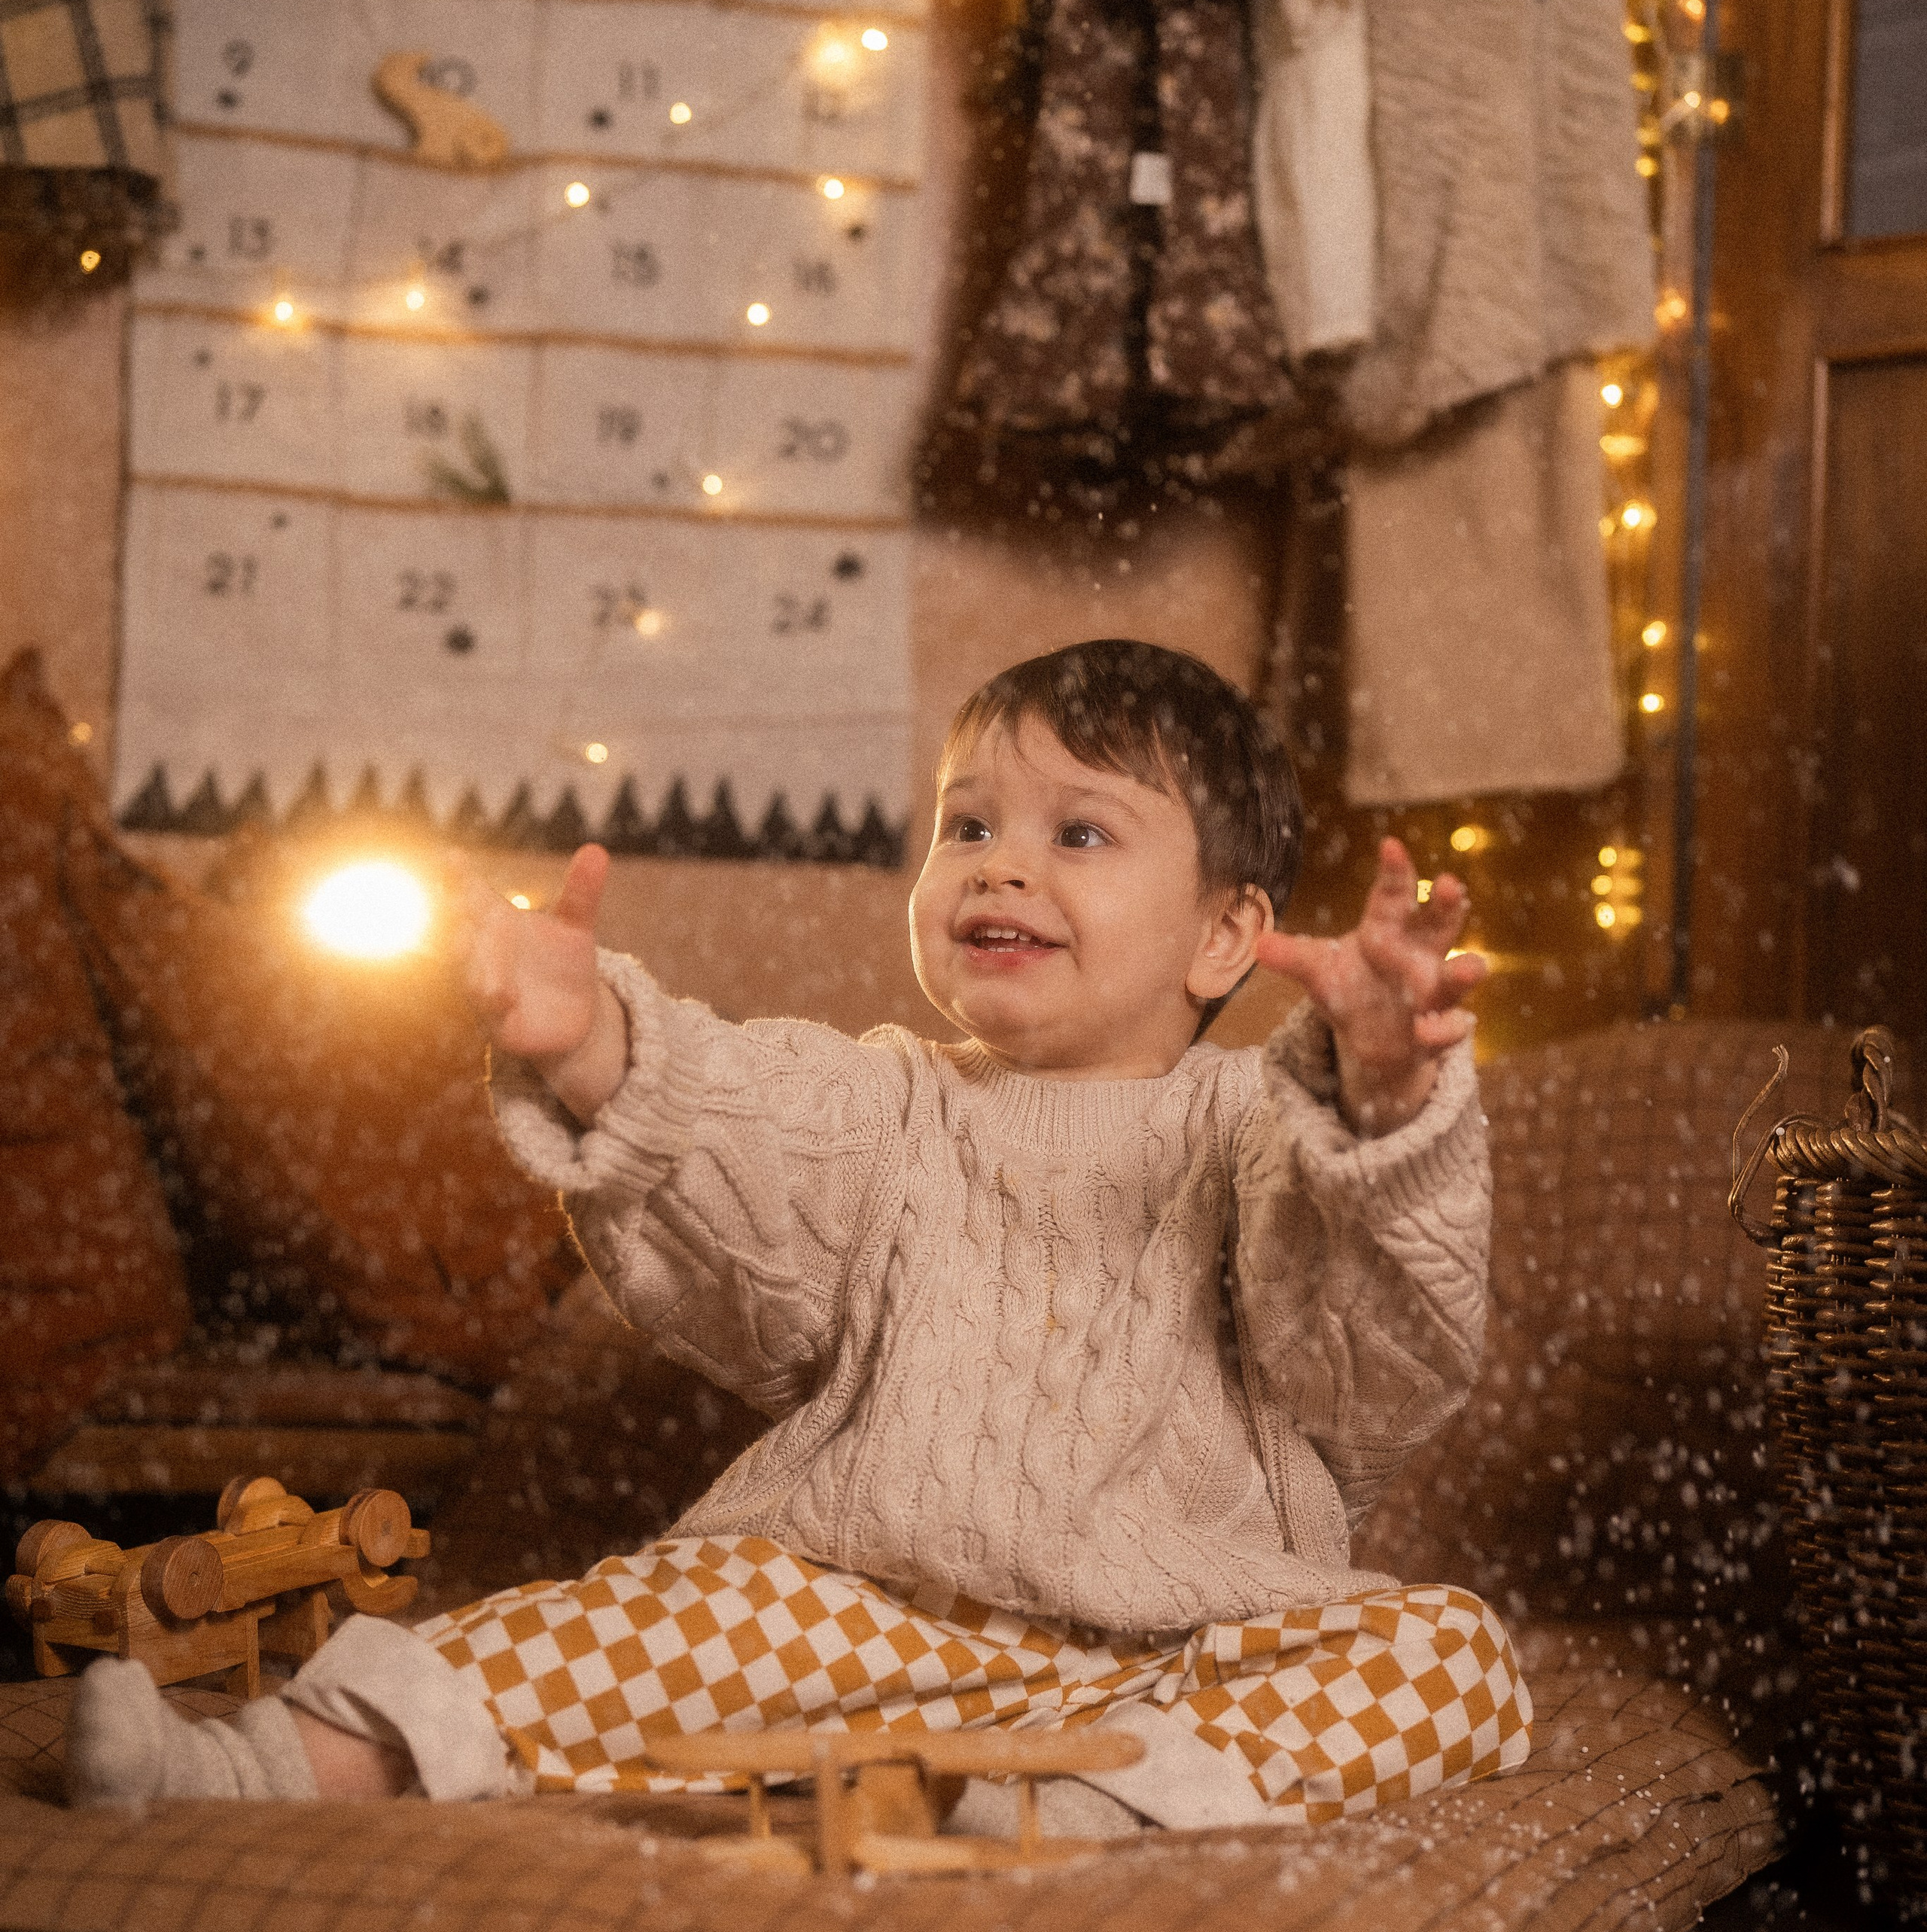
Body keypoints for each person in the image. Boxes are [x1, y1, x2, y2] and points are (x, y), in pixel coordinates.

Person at [68, 641, 1530, 1834]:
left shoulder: (1271, 1135)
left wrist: (1383, 1098)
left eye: (1075, 833)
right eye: (966, 826)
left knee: (1449, 1657)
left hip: (1187, 1655)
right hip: (862, 1627)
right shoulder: (888, 1103)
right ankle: (252, 1773)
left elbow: (1379, 1353)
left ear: (1225, 937)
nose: (997, 868)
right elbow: (724, 1118)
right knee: (632, 1617)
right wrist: (592, 1046)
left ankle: (1105, 1801)